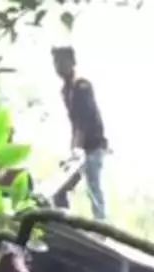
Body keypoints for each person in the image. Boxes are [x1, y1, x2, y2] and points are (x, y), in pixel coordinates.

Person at [51, 46, 108, 221]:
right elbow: (75, 124)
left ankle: (102, 229)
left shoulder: (81, 86)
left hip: (92, 146)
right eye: (56, 62)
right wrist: (73, 150)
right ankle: (65, 221)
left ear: (72, 63)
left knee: (93, 189)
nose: (59, 66)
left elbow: (84, 121)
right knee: (61, 189)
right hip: (80, 147)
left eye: (63, 61)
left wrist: (76, 151)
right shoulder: (66, 90)